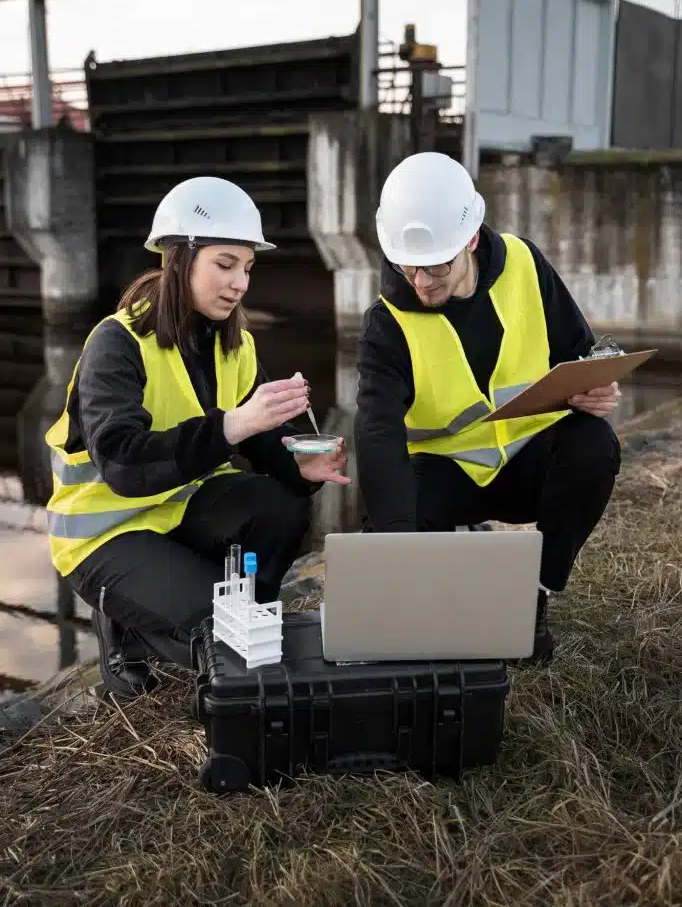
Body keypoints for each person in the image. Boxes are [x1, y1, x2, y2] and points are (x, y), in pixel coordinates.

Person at [45, 176, 350, 698]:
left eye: (248, 268)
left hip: (179, 512)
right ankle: (128, 634)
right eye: (225, 264)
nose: (240, 284)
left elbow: (258, 442)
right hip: (104, 535)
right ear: (177, 259)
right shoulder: (115, 344)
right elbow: (122, 463)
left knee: (278, 506)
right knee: (222, 634)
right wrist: (233, 424)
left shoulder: (235, 344)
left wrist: (297, 465)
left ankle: (226, 631)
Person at [354, 152, 622, 664]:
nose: (421, 283)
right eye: (407, 267)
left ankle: (534, 598)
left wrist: (599, 388)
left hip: (527, 465)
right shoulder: (385, 325)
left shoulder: (525, 264)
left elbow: (581, 354)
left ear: (471, 240)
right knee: (395, 509)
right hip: (444, 478)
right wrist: (395, 551)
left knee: (593, 445)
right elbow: (377, 434)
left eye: (436, 267)